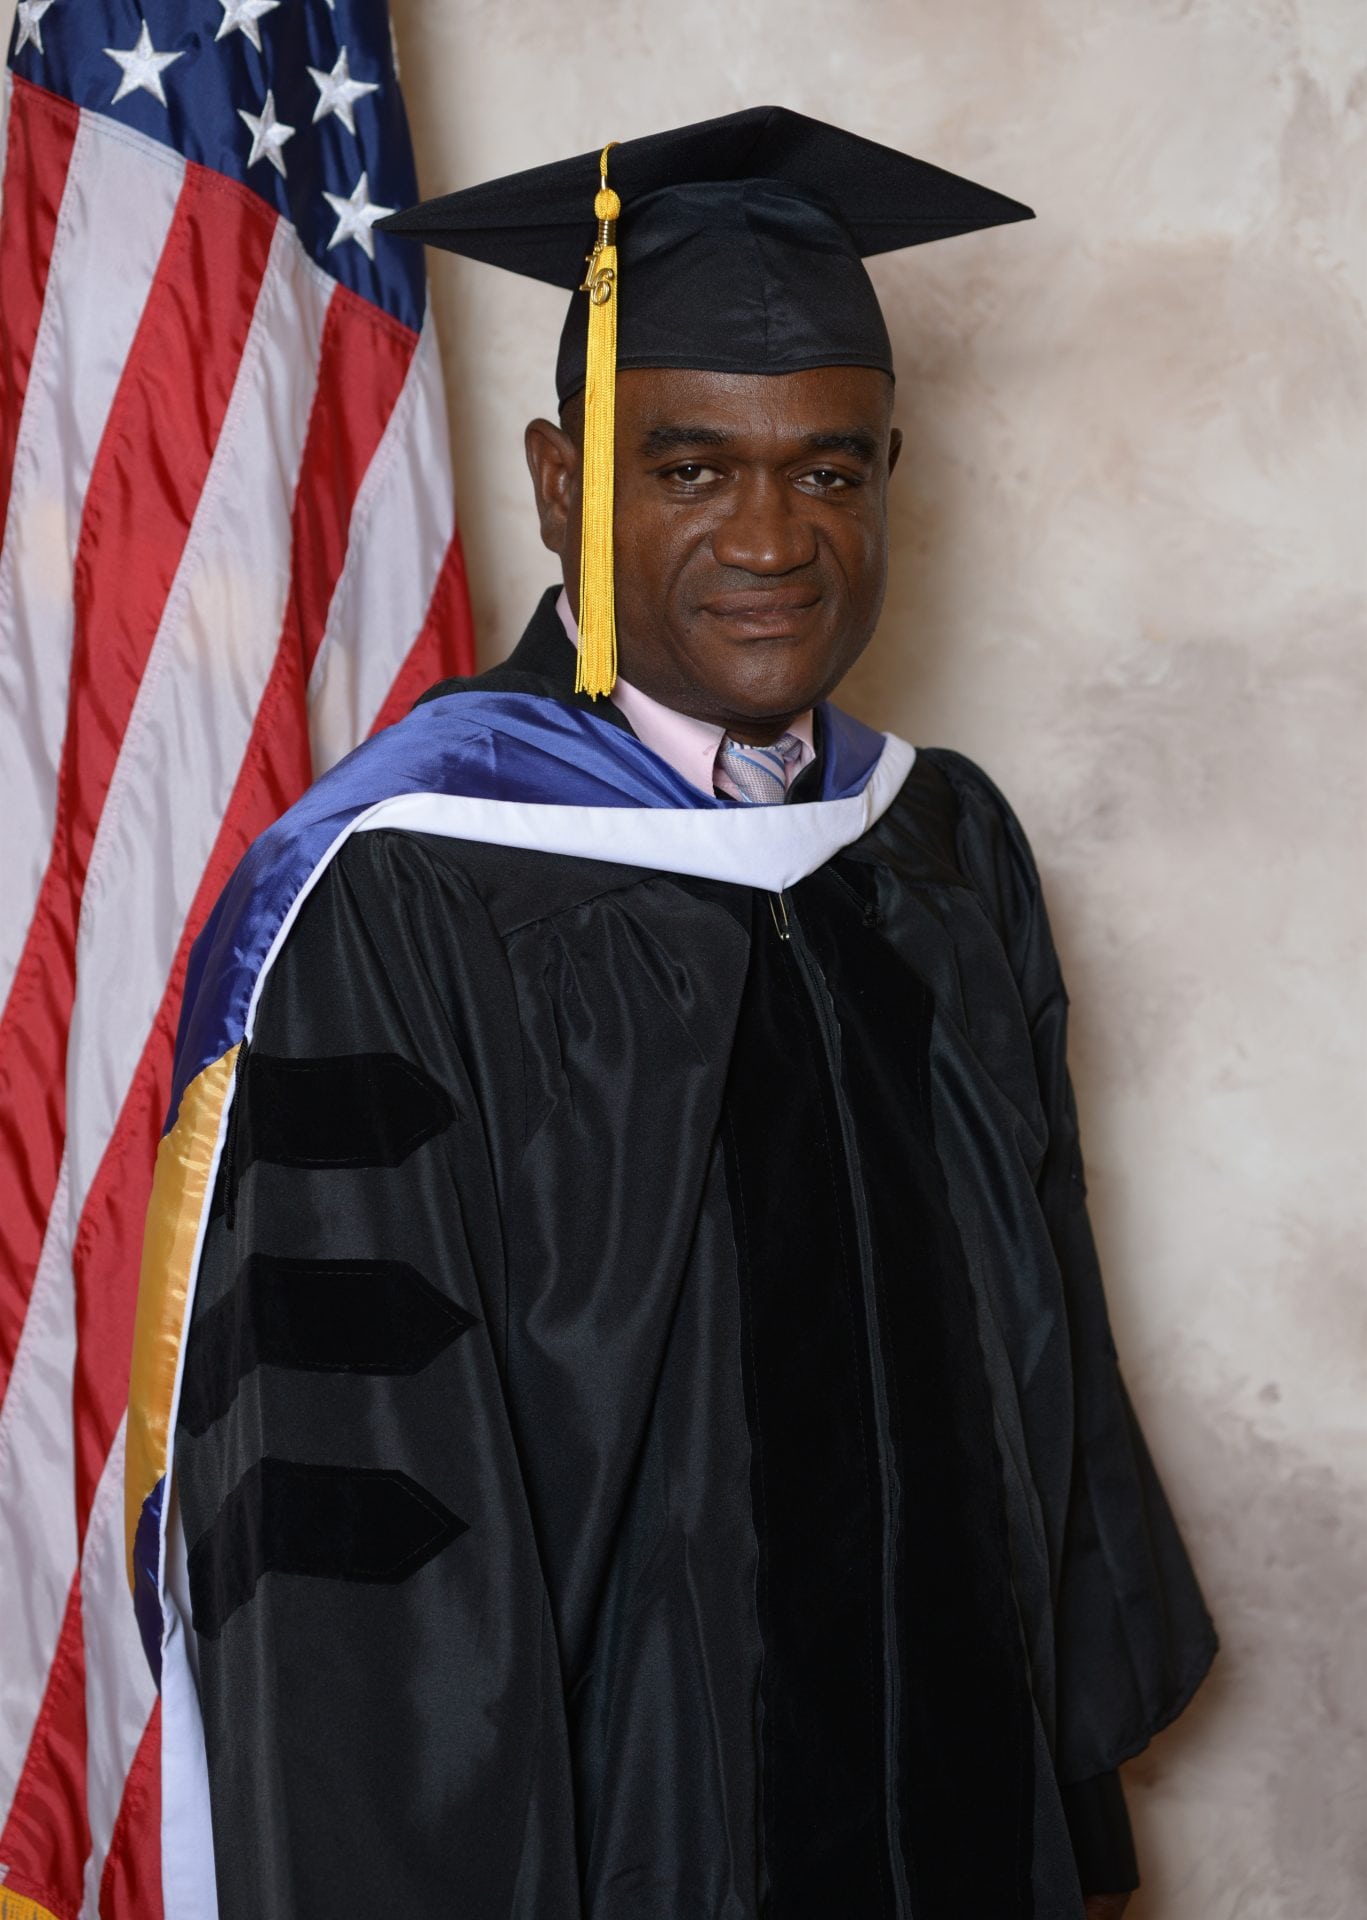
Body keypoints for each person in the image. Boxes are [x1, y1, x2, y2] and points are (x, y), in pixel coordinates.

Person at [126, 107, 1216, 1920]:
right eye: (693, 468)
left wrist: (1075, 1822)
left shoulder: (939, 849)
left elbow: (1051, 1368)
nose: (774, 537)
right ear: (563, 487)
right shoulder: (407, 896)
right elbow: (357, 1566)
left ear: (889, 477)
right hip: (635, 1854)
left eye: (832, 471)